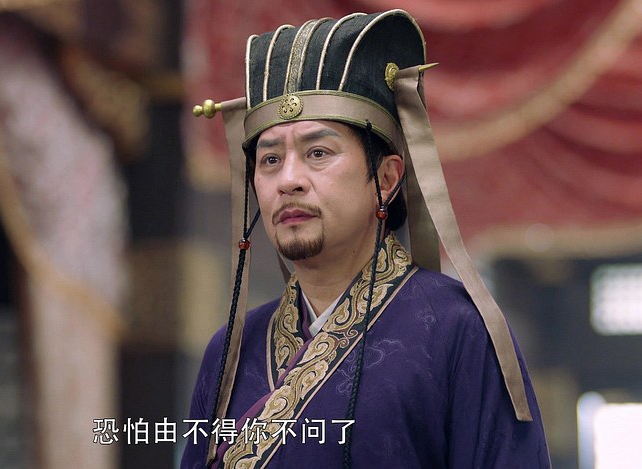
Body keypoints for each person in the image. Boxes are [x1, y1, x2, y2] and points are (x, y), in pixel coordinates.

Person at [183, 10, 551, 469]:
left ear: (386, 178)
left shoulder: (458, 328)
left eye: (318, 152)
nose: (288, 180)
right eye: (270, 159)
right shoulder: (231, 352)